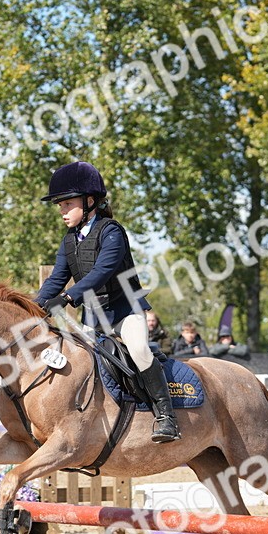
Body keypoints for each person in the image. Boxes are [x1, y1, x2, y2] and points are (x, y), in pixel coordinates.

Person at [35, 161, 180, 443]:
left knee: (139, 351)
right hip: (94, 317)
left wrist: (67, 298)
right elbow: (56, 278)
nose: (61, 210)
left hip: (125, 310)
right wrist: (33, 305)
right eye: (59, 205)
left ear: (89, 201)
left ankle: (167, 417)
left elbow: (102, 272)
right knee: (77, 363)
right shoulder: (69, 241)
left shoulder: (112, 231)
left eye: (66, 203)